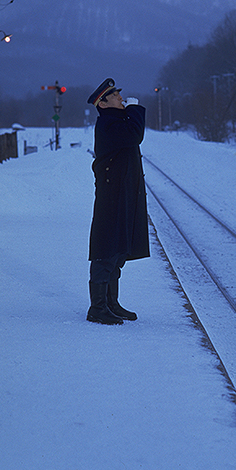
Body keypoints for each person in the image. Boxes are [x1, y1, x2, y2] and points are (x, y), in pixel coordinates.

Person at [86, 78, 150, 324]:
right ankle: (97, 307)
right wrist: (135, 109)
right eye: (115, 96)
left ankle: (111, 303)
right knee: (105, 248)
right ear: (102, 103)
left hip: (122, 194)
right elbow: (135, 135)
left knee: (118, 248)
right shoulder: (108, 125)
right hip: (112, 196)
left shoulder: (115, 121)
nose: (121, 98)